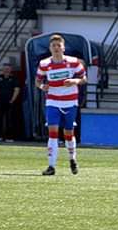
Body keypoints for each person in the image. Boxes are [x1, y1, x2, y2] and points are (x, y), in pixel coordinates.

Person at [35, 34, 87, 176]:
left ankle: (72, 159)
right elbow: (38, 81)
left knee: (68, 133)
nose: (56, 48)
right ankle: (51, 166)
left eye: (59, 45)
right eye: (54, 46)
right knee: (52, 133)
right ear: (50, 48)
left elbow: (84, 78)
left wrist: (74, 81)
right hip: (52, 101)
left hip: (70, 102)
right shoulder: (44, 64)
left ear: (63, 48)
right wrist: (42, 87)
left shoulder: (74, 62)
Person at [0, 63, 20, 142]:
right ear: (3, 69)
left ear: (10, 69)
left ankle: (9, 137)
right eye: (5, 69)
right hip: (0, 101)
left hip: (10, 102)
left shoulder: (14, 78)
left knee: (10, 120)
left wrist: (12, 100)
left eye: (8, 69)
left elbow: (17, 90)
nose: (6, 70)